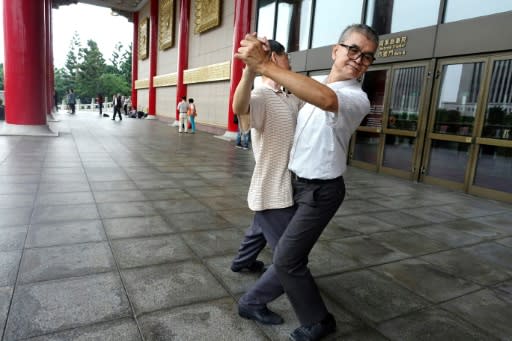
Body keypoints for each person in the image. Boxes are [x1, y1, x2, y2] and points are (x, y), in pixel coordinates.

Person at [235, 24, 379, 341]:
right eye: (353, 49)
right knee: (290, 257)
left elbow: (327, 100)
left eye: (367, 57)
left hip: (322, 191)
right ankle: (252, 301)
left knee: (287, 258)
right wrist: (255, 68)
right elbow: (257, 104)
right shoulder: (307, 87)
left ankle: (317, 321)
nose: (359, 59)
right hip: (292, 185)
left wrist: (265, 64)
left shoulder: (357, 98)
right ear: (336, 50)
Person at [231, 40, 302, 278]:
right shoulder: (260, 95)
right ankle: (254, 302)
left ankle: (242, 261)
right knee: (290, 254)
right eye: (287, 57)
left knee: (259, 229)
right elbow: (239, 106)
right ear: (274, 58)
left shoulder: (290, 97)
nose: (290, 62)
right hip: (273, 187)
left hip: (287, 182)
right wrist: (250, 71)